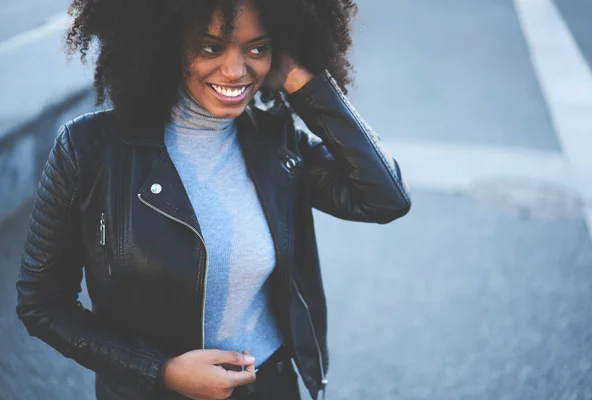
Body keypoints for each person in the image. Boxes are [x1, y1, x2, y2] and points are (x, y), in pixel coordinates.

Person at [15, 0, 411, 399]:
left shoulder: (274, 140)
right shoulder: (89, 149)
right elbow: (42, 303)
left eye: (257, 48)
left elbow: (384, 198)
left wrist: (307, 85)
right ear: (165, 43)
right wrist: (161, 371)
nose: (236, 71)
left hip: (270, 386)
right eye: (210, 48)